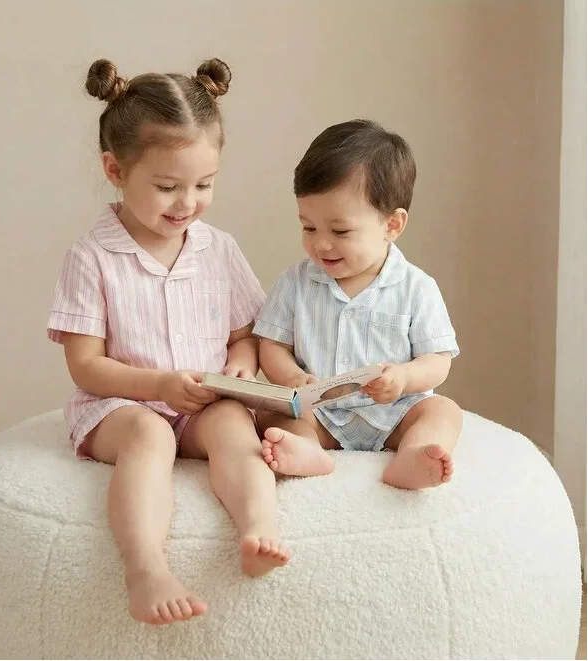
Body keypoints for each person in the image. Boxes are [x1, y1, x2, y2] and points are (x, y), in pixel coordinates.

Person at [47, 57, 289, 627]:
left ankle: (258, 526)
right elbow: (85, 366)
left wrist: (240, 366)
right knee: (149, 435)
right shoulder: (93, 257)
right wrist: (157, 385)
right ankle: (145, 567)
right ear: (115, 169)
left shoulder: (218, 249)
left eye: (204, 185)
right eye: (166, 187)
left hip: (201, 403)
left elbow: (245, 336)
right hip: (121, 407)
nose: (187, 203)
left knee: (233, 425)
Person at [254, 119, 463, 490]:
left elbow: (437, 360)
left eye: (340, 231)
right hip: (319, 414)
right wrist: (290, 378)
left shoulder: (416, 287)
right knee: (268, 414)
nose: (321, 244)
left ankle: (415, 454)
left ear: (392, 225)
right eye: (309, 227)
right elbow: (272, 346)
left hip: (394, 412)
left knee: (443, 411)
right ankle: (307, 451)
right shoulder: (296, 282)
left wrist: (404, 378)